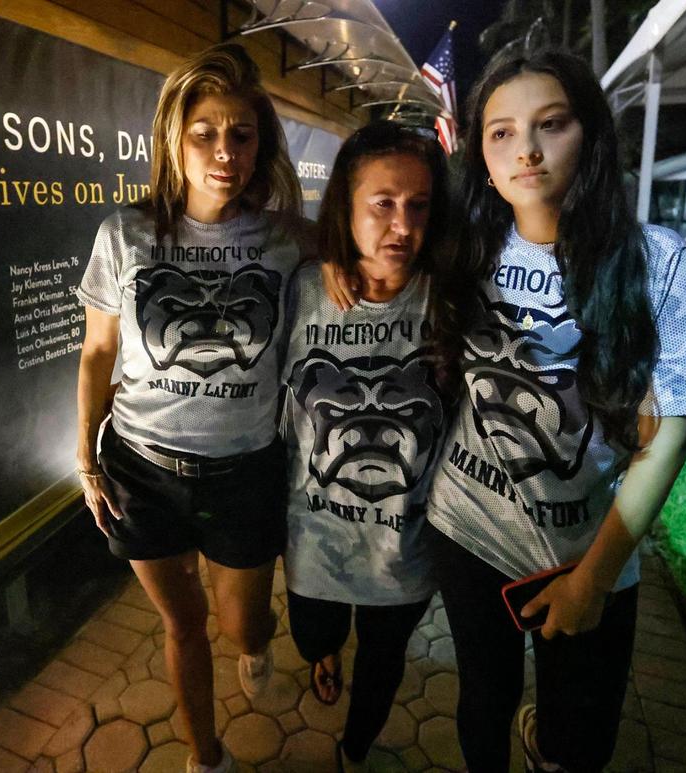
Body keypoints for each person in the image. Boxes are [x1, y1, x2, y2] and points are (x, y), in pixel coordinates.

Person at [419, 48, 686, 772]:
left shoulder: (657, 259)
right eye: (500, 132)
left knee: (579, 741)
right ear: (482, 155)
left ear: (588, 132)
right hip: (468, 528)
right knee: (481, 702)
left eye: (550, 124)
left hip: (589, 548)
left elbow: (671, 430)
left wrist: (593, 578)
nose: (525, 148)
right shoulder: (463, 247)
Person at [74, 42, 306, 773]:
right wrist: (84, 457)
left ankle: (258, 640)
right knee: (184, 624)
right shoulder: (125, 233)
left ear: (261, 143)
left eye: (242, 133)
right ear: (174, 138)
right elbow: (97, 354)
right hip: (143, 466)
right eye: (205, 131)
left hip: (245, 470)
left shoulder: (288, 241)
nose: (224, 151)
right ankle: (205, 757)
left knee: (243, 620)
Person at [281, 120, 453, 771]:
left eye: (418, 205)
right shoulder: (303, 291)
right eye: (382, 203)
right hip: (314, 540)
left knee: (382, 662)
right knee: (314, 632)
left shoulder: (450, 301)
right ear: (345, 209)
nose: (402, 226)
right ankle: (323, 652)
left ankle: (354, 749)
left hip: (402, 550)